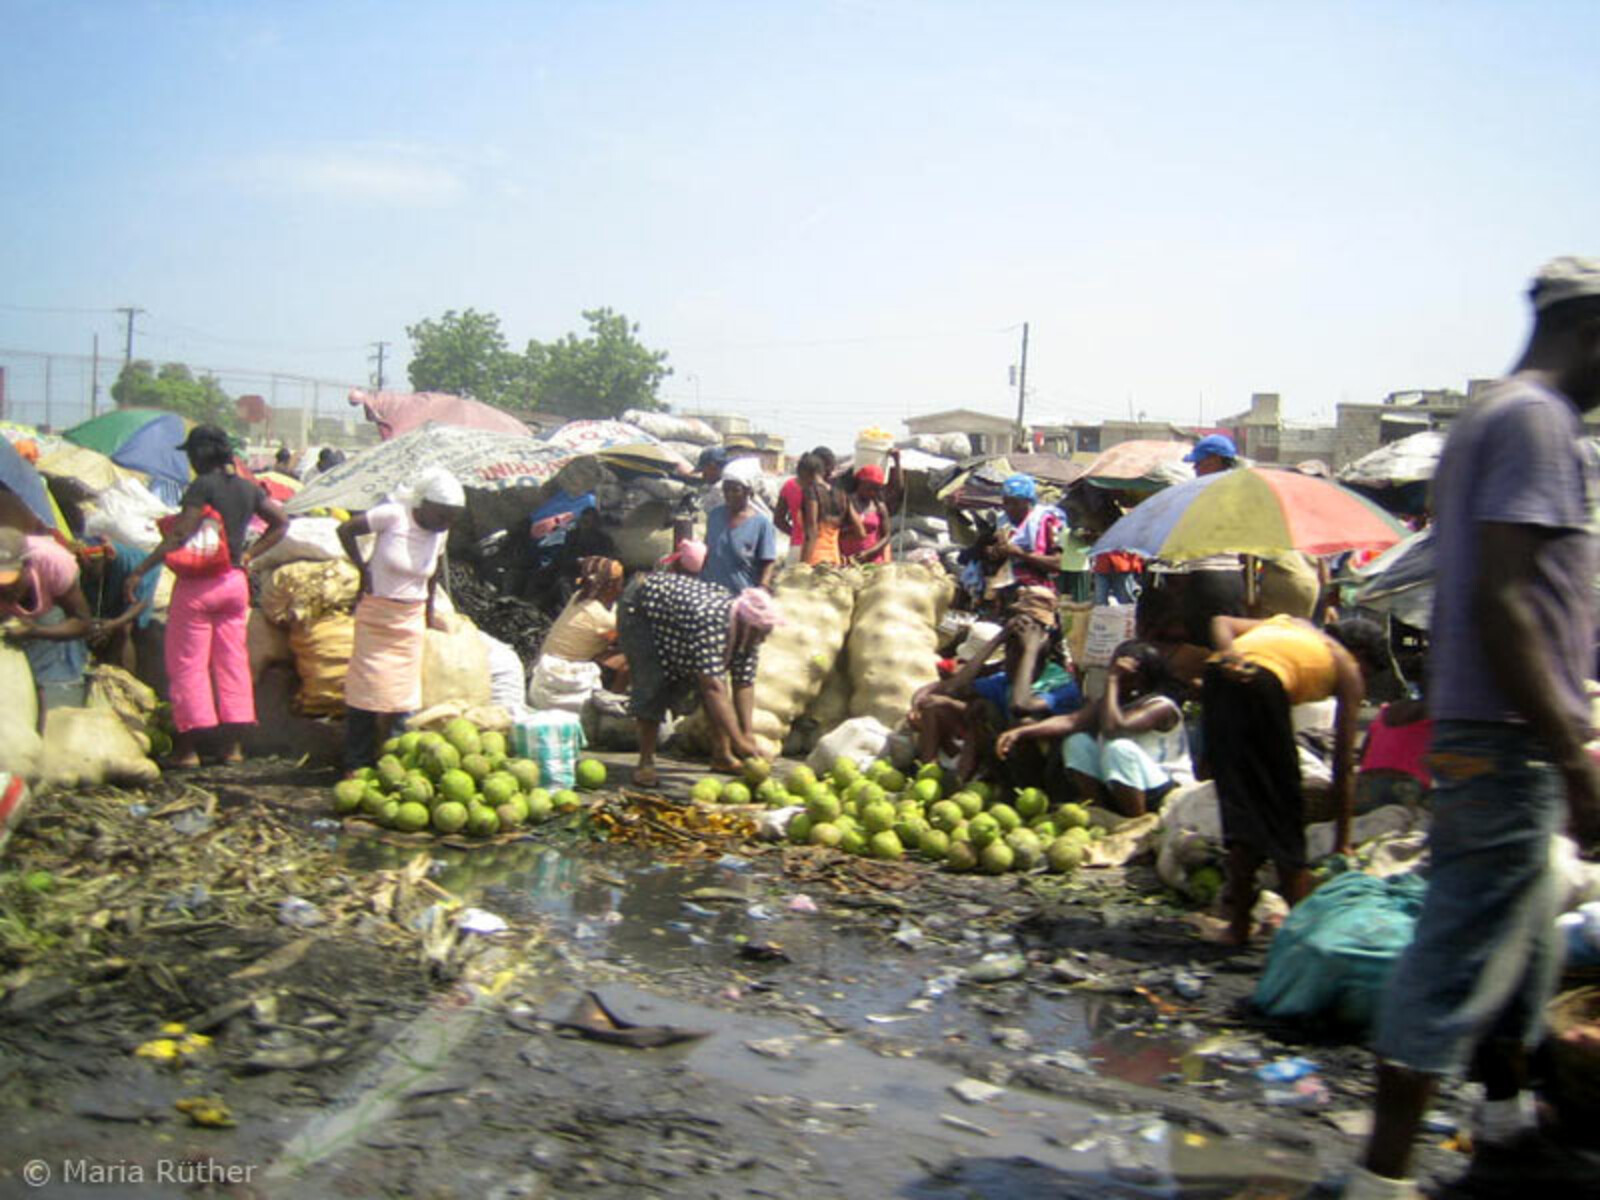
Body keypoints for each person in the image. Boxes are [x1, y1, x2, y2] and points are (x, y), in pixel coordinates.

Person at [1350, 259, 1600, 1200]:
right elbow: (1504, 596)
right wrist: (1573, 750)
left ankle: (1503, 1121)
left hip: (1497, 723)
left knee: (1527, 932)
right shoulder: (1538, 423)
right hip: (1506, 729)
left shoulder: (1494, 421)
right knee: (1459, 943)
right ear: (1595, 334)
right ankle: (1380, 1177)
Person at [1200, 613, 1389, 945]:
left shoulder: (1292, 623)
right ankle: (1302, 931)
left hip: (1218, 677)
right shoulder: (1346, 667)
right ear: (1358, 653)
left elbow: (1219, 622)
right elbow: (1344, 763)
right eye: (1369, 671)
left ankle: (1239, 926)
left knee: (1243, 807)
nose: (1364, 680)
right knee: (1283, 809)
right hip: (1262, 684)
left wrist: (1229, 654)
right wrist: (1342, 840)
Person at [127, 424, 289, 766]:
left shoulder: (202, 486)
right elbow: (280, 522)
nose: (190, 463)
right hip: (234, 583)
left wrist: (142, 569)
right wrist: (249, 554)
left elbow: (181, 533)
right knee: (232, 664)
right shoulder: (248, 488)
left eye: (191, 455)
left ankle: (187, 751)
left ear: (202, 453)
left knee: (189, 666)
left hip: (199, 587)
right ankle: (233, 749)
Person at [337, 467, 465, 773]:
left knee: (404, 697)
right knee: (366, 689)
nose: (446, 522)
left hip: (410, 619)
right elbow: (345, 530)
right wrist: (362, 567)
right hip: (377, 616)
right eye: (442, 514)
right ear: (424, 504)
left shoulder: (439, 533)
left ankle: (394, 760)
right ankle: (356, 760)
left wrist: (429, 612)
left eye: (452, 517)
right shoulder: (394, 516)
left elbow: (432, 574)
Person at [617, 572, 780, 786]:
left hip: (678, 619)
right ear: (747, 624)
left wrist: (747, 734)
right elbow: (712, 687)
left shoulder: (749, 633)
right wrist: (739, 741)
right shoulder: (711, 621)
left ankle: (722, 756)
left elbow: (744, 682)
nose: (763, 639)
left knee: (711, 681)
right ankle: (645, 762)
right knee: (653, 683)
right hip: (641, 610)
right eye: (761, 632)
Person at [996, 639, 1190, 817]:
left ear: (1140, 679)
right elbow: (1071, 721)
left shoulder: (1160, 706)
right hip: (1127, 784)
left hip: (1164, 787)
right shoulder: (1112, 704)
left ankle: (1138, 821)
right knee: (1076, 741)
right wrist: (1019, 732)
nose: (1113, 675)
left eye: (1123, 674)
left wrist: (1113, 680)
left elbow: (1114, 728)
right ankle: (1101, 811)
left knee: (1117, 748)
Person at [909, 588, 1079, 781]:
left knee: (1021, 722)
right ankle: (931, 778)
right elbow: (953, 689)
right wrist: (999, 638)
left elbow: (1020, 706)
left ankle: (1013, 790)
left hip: (1045, 770)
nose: (1022, 632)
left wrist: (1031, 648)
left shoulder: (1059, 682)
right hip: (1002, 753)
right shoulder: (1004, 677)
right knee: (961, 706)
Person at [0, 527, 93, 720]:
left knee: (55, 709)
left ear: (27, 565)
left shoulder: (53, 564)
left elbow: (83, 622)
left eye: (9, 580)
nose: (5, 588)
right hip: (11, 622)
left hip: (49, 613)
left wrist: (38, 631)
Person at [538, 555, 628, 690]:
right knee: (630, 659)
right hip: (566, 676)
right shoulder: (602, 618)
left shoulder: (578, 597)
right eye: (621, 582)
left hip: (544, 669)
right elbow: (624, 640)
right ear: (612, 586)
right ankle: (614, 697)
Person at [76, 535, 160, 669]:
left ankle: (125, 677)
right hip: (110, 576)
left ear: (106, 558)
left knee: (124, 629)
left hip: (139, 577)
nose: (87, 570)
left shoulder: (131, 565)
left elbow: (140, 603)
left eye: (92, 565)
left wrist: (113, 624)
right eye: (83, 565)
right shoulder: (88, 568)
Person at [702, 457, 777, 594]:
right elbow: (707, 552)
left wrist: (763, 586)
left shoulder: (761, 523)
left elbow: (768, 561)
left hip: (742, 595)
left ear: (748, 491)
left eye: (735, 490)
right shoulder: (714, 516)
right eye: (726, 489)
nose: (729, 494)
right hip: (711, 595)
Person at [988, 473, 1063, 594]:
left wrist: (1020, 553)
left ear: (1028, 502)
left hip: (1037, 595)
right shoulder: (1004, 523)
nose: (1009, 508)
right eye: (1006, 502)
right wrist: (996, 552)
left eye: (1015, 503)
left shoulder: (1045, 522)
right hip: (1007, 593)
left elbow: (1058, 563)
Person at [839, 450, 902, 565]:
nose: (872, 492)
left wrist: (868, 553)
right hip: (847, 560)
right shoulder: (846, 502)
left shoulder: (879, 506)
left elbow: (886, 536)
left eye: (876, 489)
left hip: (873, 561)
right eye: (869, 488)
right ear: (860, 483)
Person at [801, 453, 846, 566]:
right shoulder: (839, 494)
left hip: (815, 558)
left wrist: (802, 565)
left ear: (805, 473)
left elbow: (812, 532)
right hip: (835, 558)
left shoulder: (811, 492)